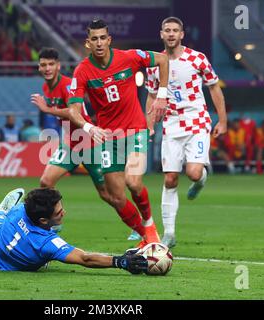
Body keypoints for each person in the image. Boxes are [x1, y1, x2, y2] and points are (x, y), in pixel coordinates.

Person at [67, 19, 169, 248]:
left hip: (135, 130)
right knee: (116, 197)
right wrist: (89, 127)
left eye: (103, 37)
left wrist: (162, 94)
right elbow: (73, 110)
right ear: (88, 43)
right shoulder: (82, 70)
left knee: (133, 182)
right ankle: (144, 235)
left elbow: (162, 59)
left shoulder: (129, 57)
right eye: (94, 39)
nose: (99, 42)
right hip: (108, 138)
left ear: (109, 40)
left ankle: (151, 227)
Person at [0, 188, 148, 274]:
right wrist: (121, 261)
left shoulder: (21, 211)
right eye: (59, 212)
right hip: (1, 261)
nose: (64, 213)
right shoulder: (47, 243)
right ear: (43, 220)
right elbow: (85, 258)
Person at [145, 17, 227, 248]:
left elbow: (213, 88)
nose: (171, 34)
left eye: (175, 31)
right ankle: (169, 233)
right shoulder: (155, 63)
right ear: (161, 34)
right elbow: (152, 95)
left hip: (197, 121)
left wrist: (222, 120)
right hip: (171, 124)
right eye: (167, 30)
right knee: (170, 178)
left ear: (182, 34)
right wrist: (149, 124)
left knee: (192, 173)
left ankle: (200, 180)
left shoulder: (197, 58)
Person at [30, 47, 113, 211]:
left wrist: (47, 110)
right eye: (43, 65)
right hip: (70, 143)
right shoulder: (46, 88)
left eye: (51, 64)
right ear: (39, 67)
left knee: (107, 193)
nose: (47, 69)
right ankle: (55, 219)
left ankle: (138, 221)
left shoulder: (68, 85)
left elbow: (73, 112)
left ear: (58, 66)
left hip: (90, 143)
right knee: (46, 182)